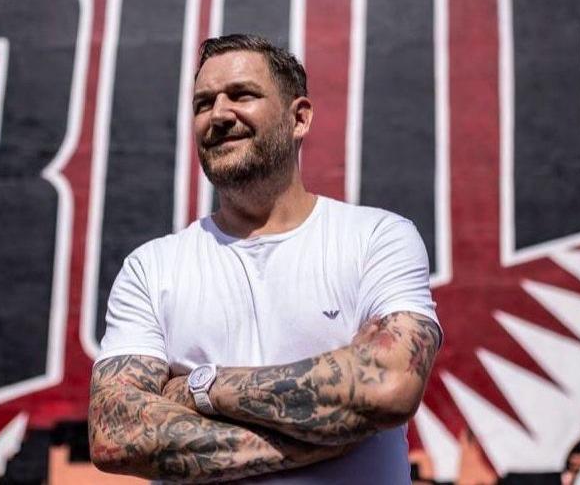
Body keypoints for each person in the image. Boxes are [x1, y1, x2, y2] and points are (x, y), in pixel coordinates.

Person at [88, 34, 442, 483]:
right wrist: (318, 435)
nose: (218, 114)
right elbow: (115, 432)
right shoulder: (151, 268)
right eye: (202, 103)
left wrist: (199, 387)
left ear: (299, 118)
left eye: (242, 95)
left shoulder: (377, 237)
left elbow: (388, 386)